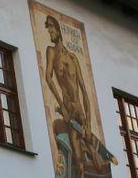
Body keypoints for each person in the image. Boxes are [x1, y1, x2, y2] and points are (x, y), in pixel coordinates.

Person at [44, 15, 108, 177]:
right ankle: (85, 149)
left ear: (58, 29)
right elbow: (48, 78)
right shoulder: (50, 52)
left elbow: (85, 92)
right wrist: (62, 106)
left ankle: (89, 148)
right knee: (78, 163)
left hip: (80, 113)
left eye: (51, 27)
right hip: (69, 112)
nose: (49, 30)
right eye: (47, 27)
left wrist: (88, 122)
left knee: (99, 165)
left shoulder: (73, 58)